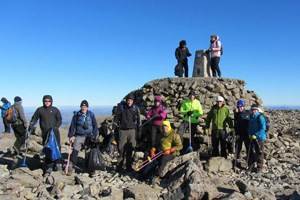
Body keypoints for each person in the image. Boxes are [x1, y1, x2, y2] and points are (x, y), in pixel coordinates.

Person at [28, 95, 62, 174]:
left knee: (57, 148)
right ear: (43, 101)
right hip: (45, 133)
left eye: (49, 101)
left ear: (51, 101)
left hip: (55, 133)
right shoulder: (40, 110)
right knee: (47, 149)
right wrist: (31, 125)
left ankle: (58, 164)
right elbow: (34, 118)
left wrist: (56, 127)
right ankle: (49, 166)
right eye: (45, 101)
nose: (47, 102)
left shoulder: (55, 110)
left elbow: (59, 119)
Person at [68, 100, 98, 174]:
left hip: (89, 136)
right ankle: (71, 166)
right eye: (82, 106)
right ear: (80, 107)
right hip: (79, 135)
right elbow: (72, 126)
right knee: (75, 150)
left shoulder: (91, 114)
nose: (84, 108)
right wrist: (71, 136)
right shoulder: (76, 115)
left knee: (88, 153)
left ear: (87, 107)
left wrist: (94, 135)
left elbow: (95, 126)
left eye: (85, 106)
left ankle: (89, 168)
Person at [114, 94, 140, 172]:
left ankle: (128, 167)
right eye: (128, 100)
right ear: (126, 101)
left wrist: (138, 130)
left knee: (130, 149)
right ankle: (119, 166)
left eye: (131, 100)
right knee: (121, 149)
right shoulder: (121, 107)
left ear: (133, 101)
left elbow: (138, 120)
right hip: (122, 131)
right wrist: (114, 128)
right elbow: (116, 118)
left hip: (132, 131)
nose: (129, 102)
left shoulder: (135, 108)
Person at [248, 104, 267, 172]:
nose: (253, 111)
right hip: (253, 137)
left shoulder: (260, 116)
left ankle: (259, 168)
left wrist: (256, 135)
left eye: (255, 109)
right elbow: (250, 127)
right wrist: (250, 134)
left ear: (257, 110)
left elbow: (263, 128)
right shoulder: (251, 116)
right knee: (252, 151)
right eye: (252, 109)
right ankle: (251, 166)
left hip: (259, 138)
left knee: (259, 152)